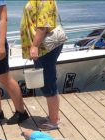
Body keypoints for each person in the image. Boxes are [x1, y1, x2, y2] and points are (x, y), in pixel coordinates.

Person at [20, 0, 62, 131]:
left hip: (44, 47)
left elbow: (42, 26)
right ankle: (53, 116)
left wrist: (34, 46)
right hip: (42, 47)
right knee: (47, 82)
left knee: (49, 83)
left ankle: (54, 121)